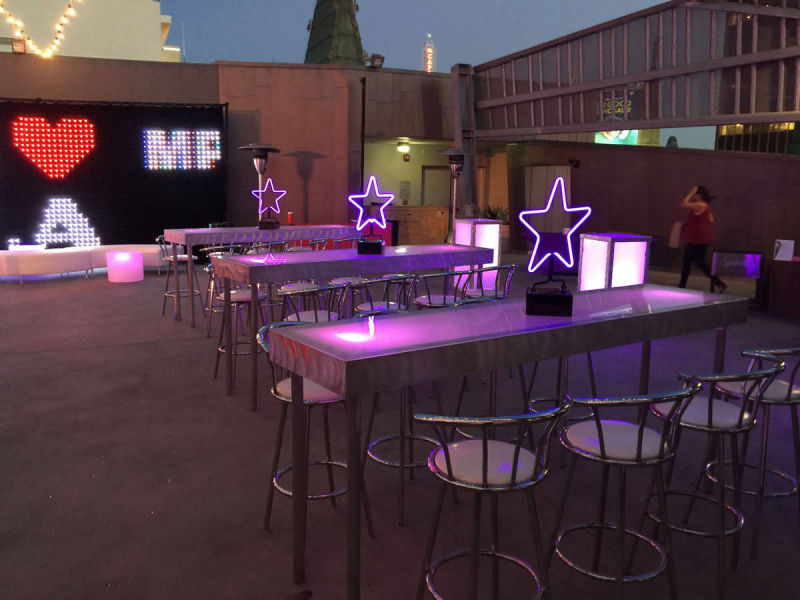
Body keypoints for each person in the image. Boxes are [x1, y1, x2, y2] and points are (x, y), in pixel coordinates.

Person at [678, 185, 726, 292]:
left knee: (688, 260)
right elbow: (711, 220)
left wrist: (691, 192)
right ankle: (718, 283)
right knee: (699, 262)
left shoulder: (700, 204)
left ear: (699, 195)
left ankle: (682, 285)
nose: (693, 196)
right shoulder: (706, 206)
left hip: (698, 239)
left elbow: (683, 204)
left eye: (695, 194)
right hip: (701, 239)